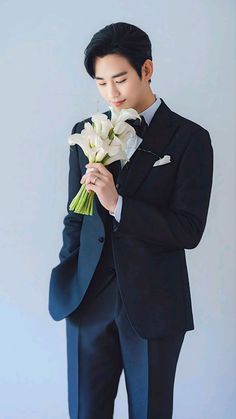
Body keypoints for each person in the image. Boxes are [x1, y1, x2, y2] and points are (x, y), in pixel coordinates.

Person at [48, 22, 214, 419]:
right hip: (88, 300)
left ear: (147, 70)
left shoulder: (190, 139)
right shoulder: (85, 134)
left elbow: (188, 229)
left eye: (120, 79)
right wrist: (70, 271)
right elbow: (76, 217)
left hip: (154, 306)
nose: (112, 93)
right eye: (101, 82)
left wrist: (119, 204)